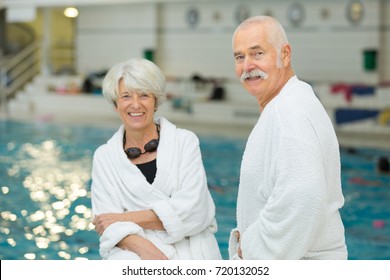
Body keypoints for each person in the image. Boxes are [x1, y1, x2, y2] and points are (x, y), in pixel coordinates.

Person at [228, 16, 348, 260]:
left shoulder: (289, 111)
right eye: (240, 57)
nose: (247, 65)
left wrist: (252, 250)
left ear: (284, 54)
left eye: (257, 53)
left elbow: (304, 196)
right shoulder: (289, 103)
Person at [91, 58, 222, 260]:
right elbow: (106, 223)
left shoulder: (184, 141)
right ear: (116, 104)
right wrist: (151, 254)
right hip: (138, 256)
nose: (135, 104)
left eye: (144, 95)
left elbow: (195, 210)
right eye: (126, 96)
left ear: (156, 101)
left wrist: (125, 218)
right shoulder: (104, 157)